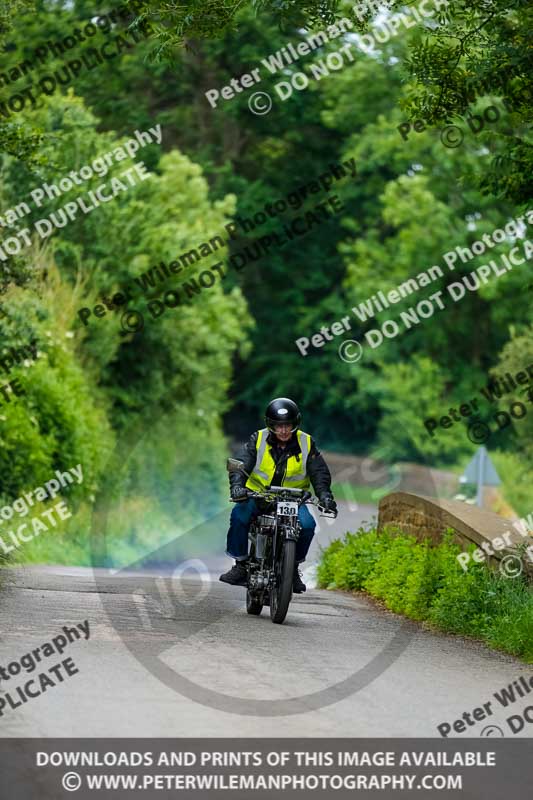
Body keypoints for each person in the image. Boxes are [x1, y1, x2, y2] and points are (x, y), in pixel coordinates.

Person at [219, 397, 337, 593]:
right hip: (258, 496)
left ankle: (292, 569)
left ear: (295, 424)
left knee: (308, 525)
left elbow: (319, 473)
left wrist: (325, 496)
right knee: (239, 515)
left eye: (287, 425)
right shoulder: (257, 439)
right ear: (270, 425)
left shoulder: (307, 442)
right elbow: (241, 464)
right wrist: (238, 487)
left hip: (292, 499)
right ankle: (240, 565)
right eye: (278, 426)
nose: (283, 430)